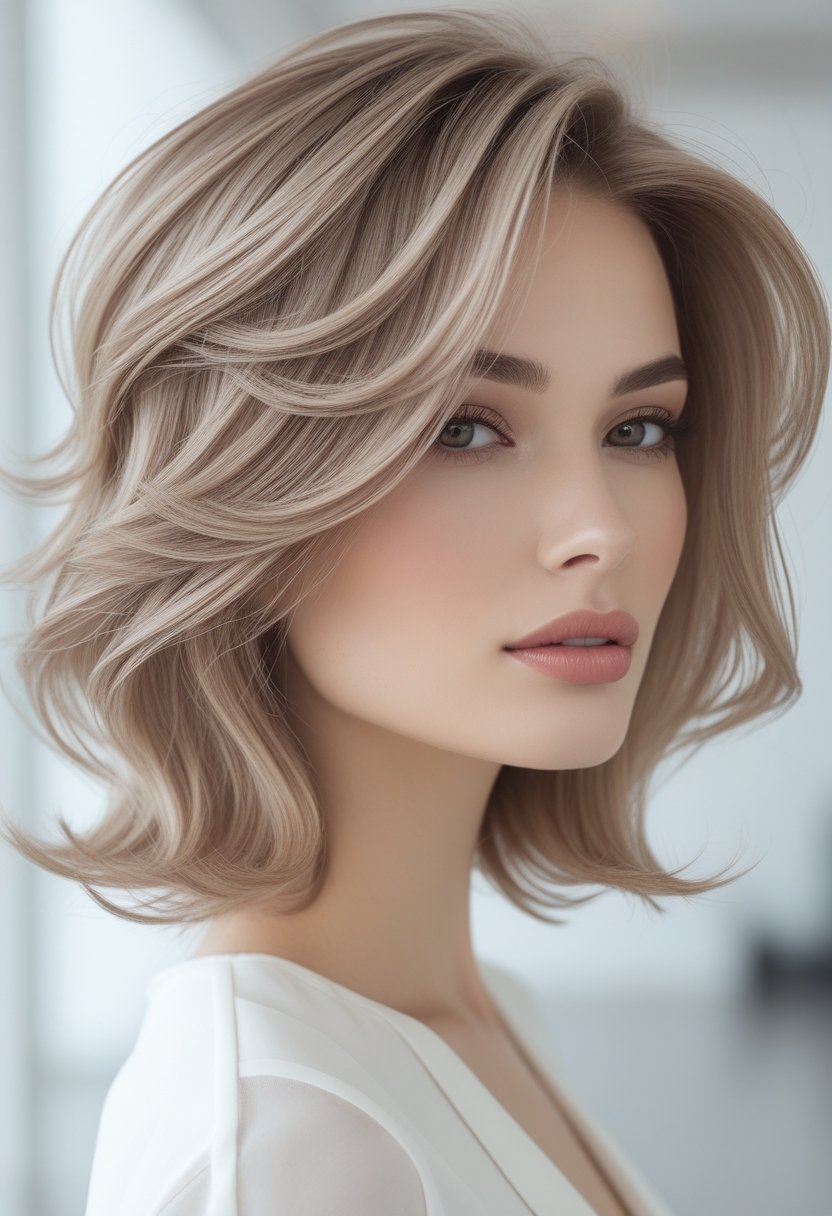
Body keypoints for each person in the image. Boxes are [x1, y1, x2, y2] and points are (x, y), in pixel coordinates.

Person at [1, 8, 828, 1215]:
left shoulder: (472, 1024)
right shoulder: (287, 1156)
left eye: (637, 428)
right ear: (248, 468)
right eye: (465, 428)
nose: (597, 523)